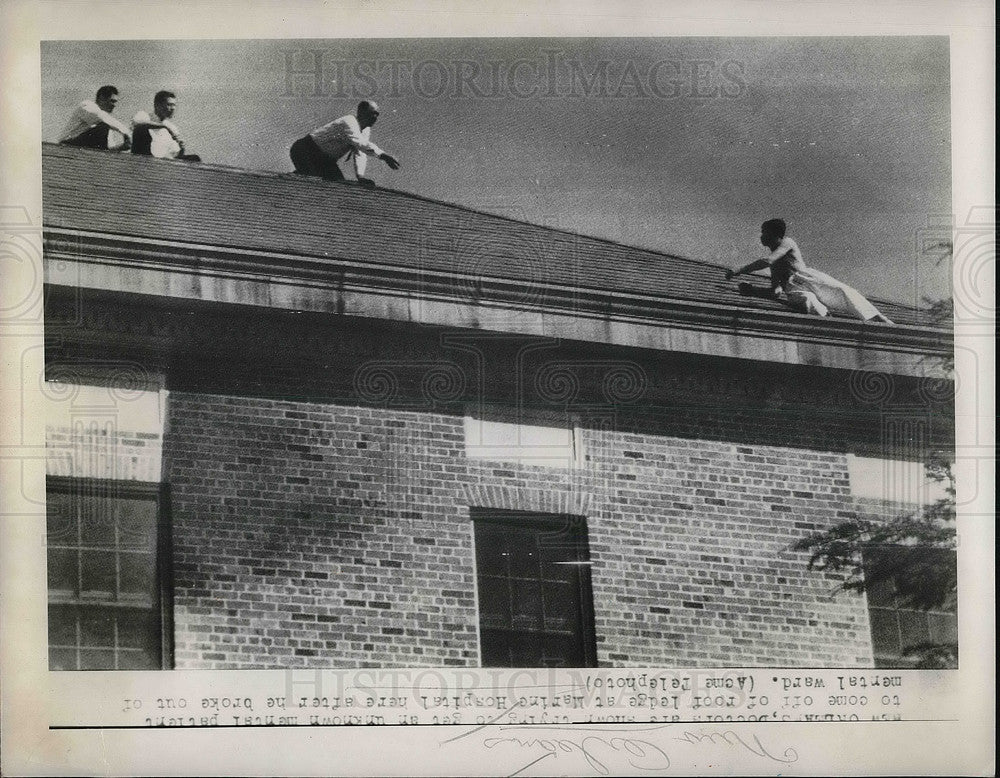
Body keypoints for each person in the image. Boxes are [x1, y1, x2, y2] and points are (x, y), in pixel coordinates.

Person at [726, 219, 893, 323]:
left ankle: (878, 319)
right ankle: (829, 323)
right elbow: (776, 292)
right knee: (808, 300)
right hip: (794, 288)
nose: (761, 236)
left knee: (842, 291)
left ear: (775, 234)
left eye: (764, 232)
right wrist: (752, 290)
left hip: (808, 278)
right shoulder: (775, 264)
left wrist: (738, 270)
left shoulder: (787, 243)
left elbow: (767, 260)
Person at [290, 100, 400, 188]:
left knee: (339, 187)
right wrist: (382, 155)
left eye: (377, 114)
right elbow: (360, 143)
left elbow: (360, 153)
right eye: (372, 113)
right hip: (305, 150)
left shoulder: (365, 130)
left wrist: (360, 176)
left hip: (325, 161)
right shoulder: (349, 121)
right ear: (361, 112)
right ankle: (288, 183)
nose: (375, 117)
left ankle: (298, 175)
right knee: (312, 183)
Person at [131, 91, 201, 162]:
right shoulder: (144, 115)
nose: (173, 108)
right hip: (143, 160)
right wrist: (164, 127)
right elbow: (137, 124)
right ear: (157, 105)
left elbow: (175, 156)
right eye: (169, 105)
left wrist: (182, 149)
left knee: (195, 158)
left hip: (162, 164)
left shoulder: (172, 127)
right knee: (142, 131)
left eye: (174, 105)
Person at [58, 85, 132, 151]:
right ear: (102, 97)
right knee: (102, 127)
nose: (114, 105)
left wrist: (121, 147)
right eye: (112, 101)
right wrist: (126, 132)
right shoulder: (86, 106)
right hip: (66, 146)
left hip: (80, 148)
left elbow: (108, 148)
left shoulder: (107, 124)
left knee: (103, 127)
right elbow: (101, 117)